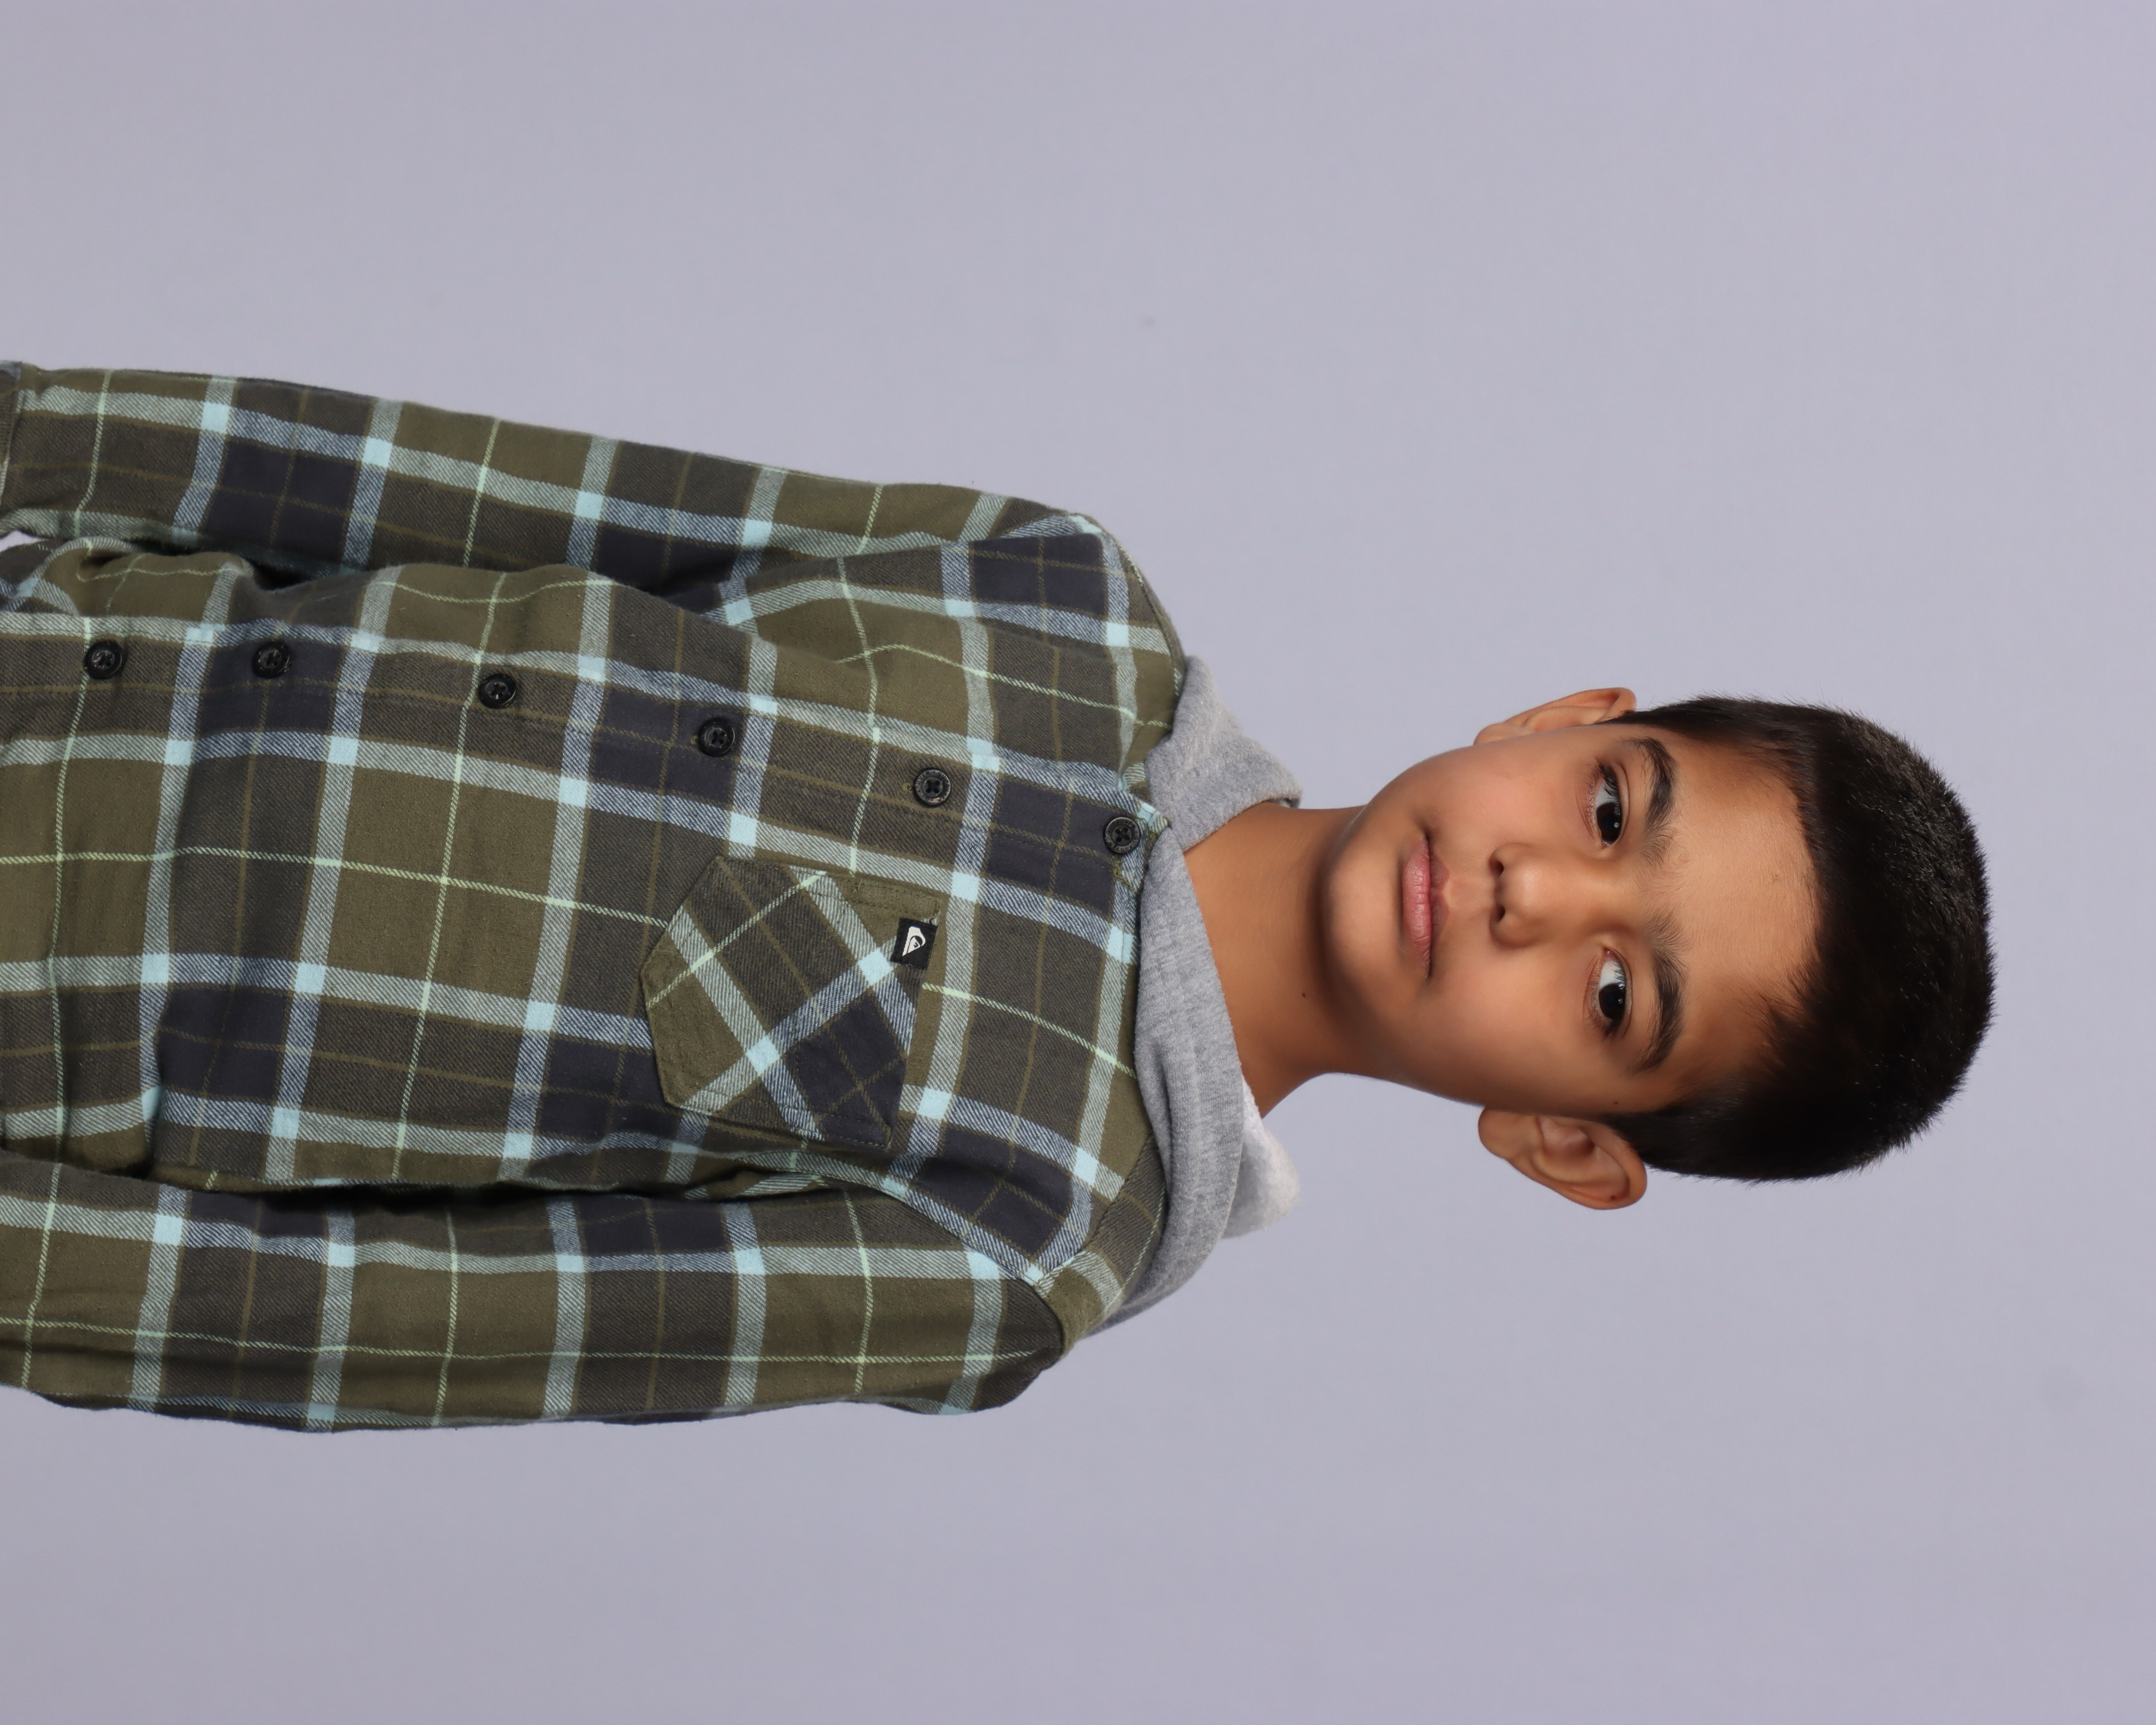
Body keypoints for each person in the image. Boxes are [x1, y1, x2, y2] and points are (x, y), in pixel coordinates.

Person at [0, 364, 1992, 1430]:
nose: (1528, 889)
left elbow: (396, 1323)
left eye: (1618, 997)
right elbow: (522, 497)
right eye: (1611, 807)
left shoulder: (1037, 1235)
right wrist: (41, 445)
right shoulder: (1064, 596)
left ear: (1566, 1141)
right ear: (1568, 718)